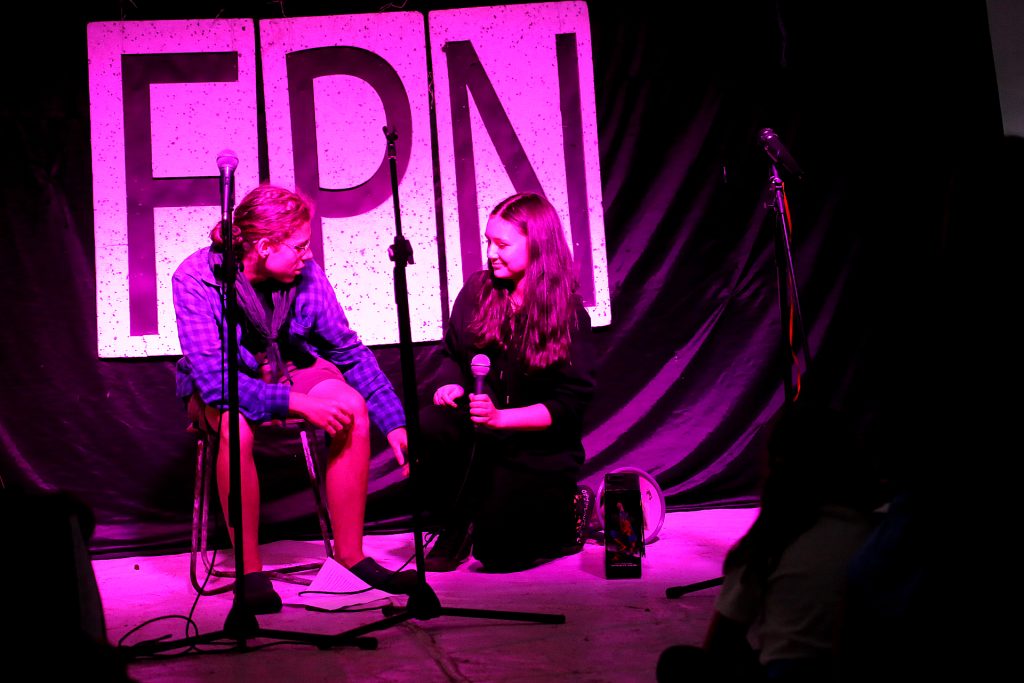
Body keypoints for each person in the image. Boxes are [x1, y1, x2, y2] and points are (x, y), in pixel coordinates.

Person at [172, 184, 414, 613]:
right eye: (299, 246)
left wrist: (394, 421)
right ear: (264, 247)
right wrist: (296, 403)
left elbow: (346, 348)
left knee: (352, 408)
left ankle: (351, 559)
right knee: (234, 428)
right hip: (227, 379)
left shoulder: (306, 274)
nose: (308, 254)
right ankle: (250, 572)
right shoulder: (196, 278)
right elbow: (214, 379)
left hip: (288, 365)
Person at [417, 192, 597, 573]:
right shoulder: (477, 291)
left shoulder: (569, 317)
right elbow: (452, 353)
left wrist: (501, 419)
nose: (490, 253)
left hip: (535, 449)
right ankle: (457, 520)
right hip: (482, 439)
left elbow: (567, 407)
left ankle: (569, 510)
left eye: (502, 244)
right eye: (488, 242)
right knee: (430, 423)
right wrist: (450, 384)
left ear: (537, 245)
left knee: (500, 554)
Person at [658, 402, 884, 682]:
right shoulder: (879, 536)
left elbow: (718, 649)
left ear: (775, 467)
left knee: (677, 662)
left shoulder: (767, 543)